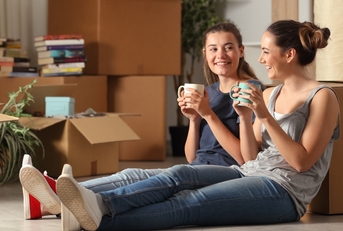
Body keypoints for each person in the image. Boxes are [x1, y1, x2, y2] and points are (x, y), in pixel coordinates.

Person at [53, 19, 340, 231]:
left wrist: (263, 117)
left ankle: (95, 218)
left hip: (284, 193)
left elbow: (301, 163)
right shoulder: (270, 93)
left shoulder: (322, 97)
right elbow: (250, 158)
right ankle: (92, 202)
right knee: (179, 173)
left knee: (188, 204)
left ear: (288, 54)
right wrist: (243, 116)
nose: (261, 58)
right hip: (247, 172)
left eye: (266, 51)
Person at [19, 22, 264, 225]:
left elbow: (244, 160)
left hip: (230, 173)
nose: (220, 55)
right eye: (213, 49)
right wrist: (194, 120)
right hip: (199, 167)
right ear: (205, 54)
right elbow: (193, 157)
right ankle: (52, 193)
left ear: (241, 51)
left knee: (174, 174)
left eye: (228, 47)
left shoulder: (250, 89)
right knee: (133, 174)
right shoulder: (208, 91)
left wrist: (208, 114)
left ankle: (80, 201)